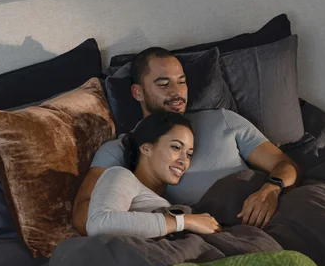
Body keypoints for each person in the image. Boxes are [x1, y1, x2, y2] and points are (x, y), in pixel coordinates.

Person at [73, 47, 300, 235]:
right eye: (163, 84)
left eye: (181, 82)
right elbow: (85, 218)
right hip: (209, 234)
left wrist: (271, 189)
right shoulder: (119, 151)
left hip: (270, 215)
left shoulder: (223, 120)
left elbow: (286, 166)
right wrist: (167, 221)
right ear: (137, 92)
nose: (177, 92)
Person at [86, 111, 221, 238]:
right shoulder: (120, 175)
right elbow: (99, 223)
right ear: (146, 148)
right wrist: (184, 221)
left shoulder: (162, 201)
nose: (184, 161)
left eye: (189, 154)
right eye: (176, 147)